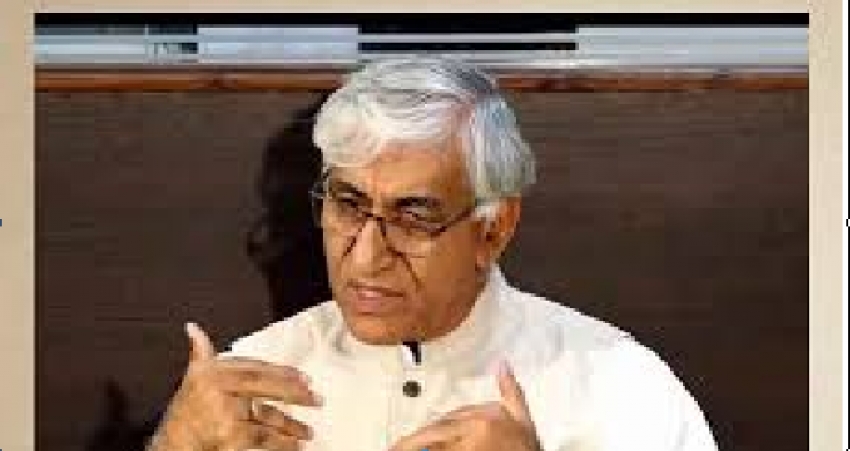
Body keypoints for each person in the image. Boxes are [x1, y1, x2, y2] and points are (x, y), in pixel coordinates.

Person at [146, 57, 719, 451]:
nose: (365, 259)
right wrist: (174, 444)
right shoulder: (251, 384)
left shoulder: (621, 389)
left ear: (494, 230)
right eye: (348, 204)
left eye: (413, 217)